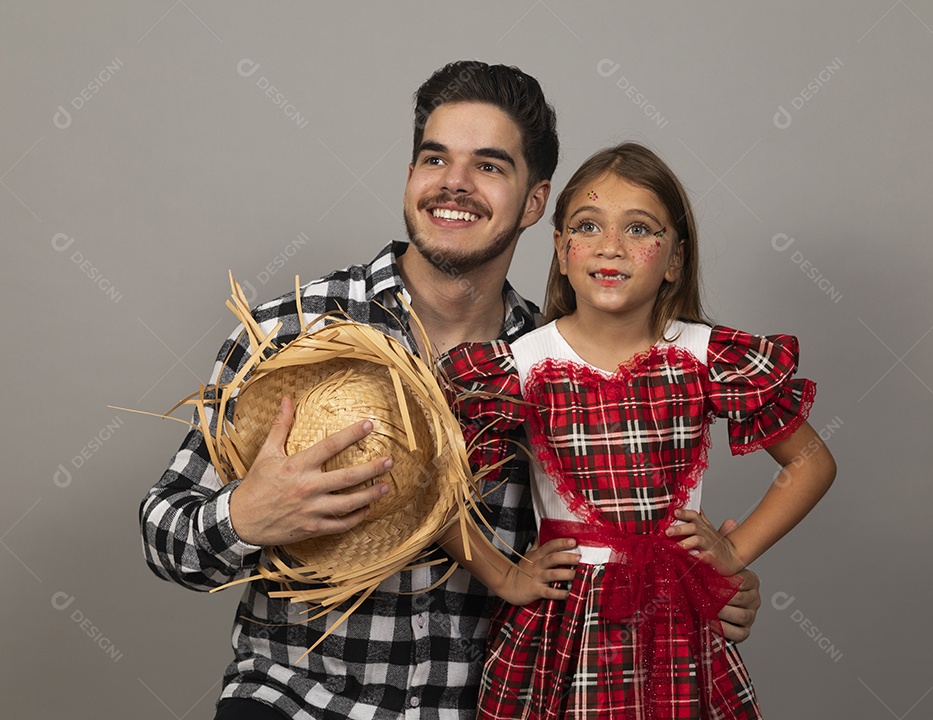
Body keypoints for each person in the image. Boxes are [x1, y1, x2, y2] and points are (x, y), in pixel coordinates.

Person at [139, 62, 762, 720]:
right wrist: (243, 516)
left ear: (533, 202)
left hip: (478, 708)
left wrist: (701, 585)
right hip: (293, 698)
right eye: (434, 158)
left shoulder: (553, 369)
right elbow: (164, 538)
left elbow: (607, 551)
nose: (453, 184)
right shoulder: (294, 331)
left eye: (489, 165)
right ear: (411, 177)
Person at [437, 143, 836, 719]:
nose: (611, 247)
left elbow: (812, 462)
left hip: (674, 619)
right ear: (561, 250)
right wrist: (504, 574)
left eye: (640, 229)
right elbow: (432, 484)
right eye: (588, 225)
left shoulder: (706, 358)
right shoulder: (519, 367)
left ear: (674, 257)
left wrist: (734, 551)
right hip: (561, 623)